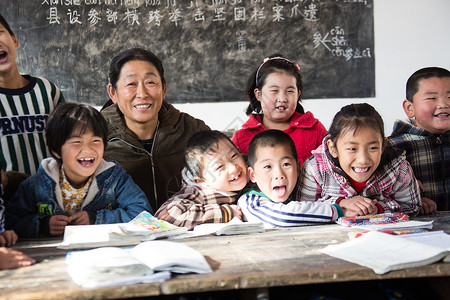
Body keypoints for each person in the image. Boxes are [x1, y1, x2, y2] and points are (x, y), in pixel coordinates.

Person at [5, 103, 151, 238]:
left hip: (103, 252)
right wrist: (42, 225)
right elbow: (10, 221)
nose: (88, 149)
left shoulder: (115, 178)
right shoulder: (36, 185)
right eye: (76, 142)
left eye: (96, 141)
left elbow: (143, 214)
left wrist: (96, 219)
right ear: (56, 150)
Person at [101, 48, 210, 212]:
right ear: (113, 92)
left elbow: (229, 168)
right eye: (131, 84)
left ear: (164, 88)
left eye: (150, 83)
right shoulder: (96, 137)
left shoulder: (192, 130)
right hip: (121, 232)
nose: (142, 93)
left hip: (186, 230)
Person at [297, 103, 421, 216]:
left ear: (383, 145)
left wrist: (379, 209)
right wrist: (339, 205)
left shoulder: (399, 169)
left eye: (372, 148)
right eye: (352, 148)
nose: (363, 160)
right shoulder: (315, 168)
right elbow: (303, 210)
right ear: (332, 148)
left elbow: (413, 207)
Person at [0, 14, 64, 194]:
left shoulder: (48, 91)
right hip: (8, 205)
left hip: (53, 198)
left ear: (14, 40)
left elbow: (69, 141)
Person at [237, 130, 349, 228]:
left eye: (286, 164)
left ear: (297, 168)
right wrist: (337, 210)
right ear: (252, 175)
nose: (279, 174)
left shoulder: (299, 192)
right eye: (268, 167)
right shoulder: (249, 201)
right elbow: (283, 216)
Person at [231, 54, 327, 166]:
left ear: (298, 95)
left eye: (290, 91)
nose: (282, 98)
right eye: (274, 90)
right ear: (259, 94)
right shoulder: (242, 138)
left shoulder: (315, 130)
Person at [154, 130, 246, 230]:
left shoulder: (252, 171)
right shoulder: (199, 192)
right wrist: (226, 212)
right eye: (219, 167)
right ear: (201, 180)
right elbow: (165, 216)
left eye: (234, 156)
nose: (233, 168)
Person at [388, 67, 449, 213]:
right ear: (410, 108)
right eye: (432, 98)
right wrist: (412, 200)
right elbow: (379, 191)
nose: (443, 104)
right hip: (415, 227)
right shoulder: (393, 146)